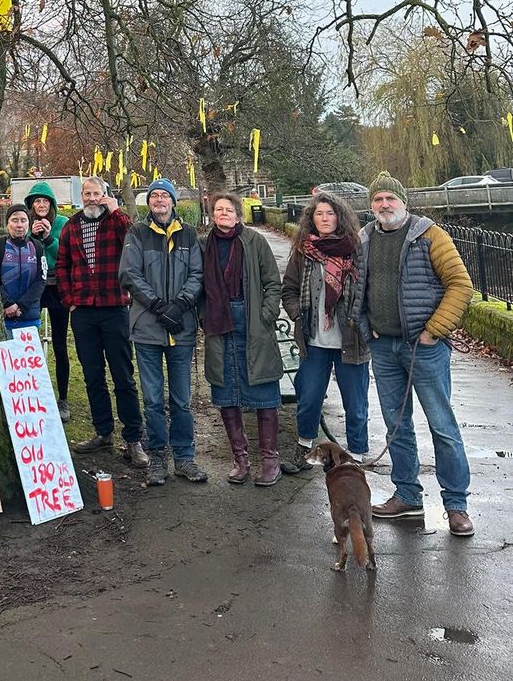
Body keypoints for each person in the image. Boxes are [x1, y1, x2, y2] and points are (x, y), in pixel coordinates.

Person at [350, 171, 475, 536]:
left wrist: (434, 331)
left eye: (390, 198)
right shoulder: (365, 238)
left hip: (425, 349)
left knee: (443, 426)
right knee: (396, 425)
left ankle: (456, 505)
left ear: (403, 202)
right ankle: (407, 495)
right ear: (370, 205)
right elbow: (355, 289)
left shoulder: (429, 235)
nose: (384, 205)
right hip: (384, 348)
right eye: (378, 200)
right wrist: (364, 327)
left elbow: (460, 284)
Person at [119, 178, 207, 486]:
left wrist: (180, 305)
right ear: (149, 202)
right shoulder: (137, 233)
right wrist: (158, 306)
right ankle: (158, 457)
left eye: (164, 196)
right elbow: (129, 273)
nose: (159, 200)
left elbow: (198, 273)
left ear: (172, 201)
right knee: (153, 399)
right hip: (147, 328)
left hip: (180, 329)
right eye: (154, 196)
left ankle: (184, 456)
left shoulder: (189, 234)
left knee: (181, 399)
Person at [56, 177, 148, 468]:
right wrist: (69, 299)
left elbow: (133, 241)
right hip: (83, 310)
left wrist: (116, 210)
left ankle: (133, 438)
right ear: (81, 196)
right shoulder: (71, 226)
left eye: (97, 193)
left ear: (105, 195)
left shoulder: (116, 222)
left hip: (114, 307)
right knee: (92, 374)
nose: (92, 198)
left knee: (123, 375)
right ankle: (102, 431)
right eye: (87, 193)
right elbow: (62, 265)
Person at [279, 191, 369, 473]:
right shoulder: (304, 252)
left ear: (339, 217)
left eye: (330, 213)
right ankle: (306, 448)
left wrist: (362, 321)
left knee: (355, 404)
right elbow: (289, 290)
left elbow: (369, 291)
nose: (325, 218)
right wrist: (297, 314)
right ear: (312, 219)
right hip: (314, 341)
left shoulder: (357, 250)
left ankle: (356, 455)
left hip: (350, 341)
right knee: (309, 399)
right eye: (319, 214)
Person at [202, 192, 284, 486]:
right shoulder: (204, 245)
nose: (223, 213)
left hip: (252, 321)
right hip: (218, 322)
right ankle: (240, 460)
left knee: (263, 391)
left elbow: (273, 282)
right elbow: (197, 285)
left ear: (238, 214)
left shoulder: (254, 241)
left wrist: (266, 314)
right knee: (226, 391)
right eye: (218, 209)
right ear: (213, 215)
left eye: (228, 209)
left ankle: (270, 460)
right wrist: (203, 317)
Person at [25, 181, 71, 419]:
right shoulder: (27, 223)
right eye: (37, 201)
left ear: (51, 204)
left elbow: (64, 255)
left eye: (45, 201)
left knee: (60, 344)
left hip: (57, 287)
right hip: (36, 286)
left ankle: (63, 398)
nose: (41, 205)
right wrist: (32, 236)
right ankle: (31, 394)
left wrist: (48, 238)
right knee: (30, 340)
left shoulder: (62, 224)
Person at [0, 204, 46, 338]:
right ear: (7, 224)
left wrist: (21, 306)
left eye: (23, 220)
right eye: (14, 220)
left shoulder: (37, 246)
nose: (19, 225)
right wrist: (7, 303)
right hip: (3, 318)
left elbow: (41, 279)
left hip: (30, 317)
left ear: (28, 223)